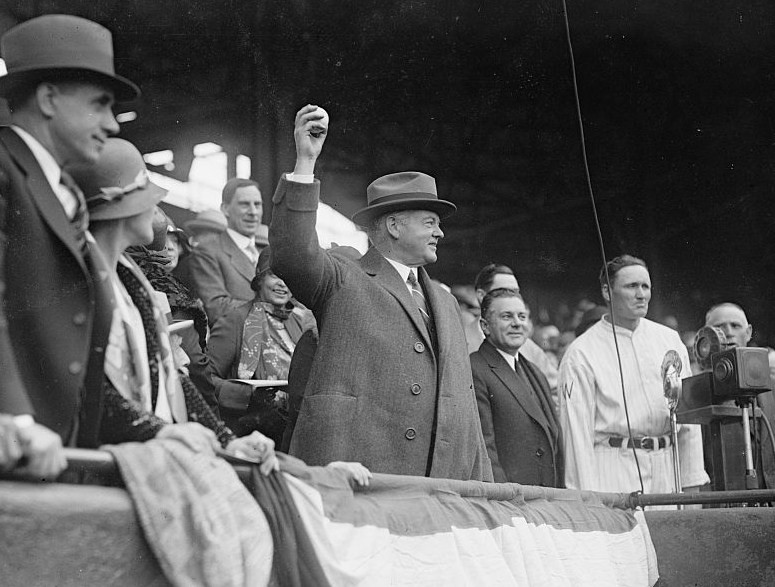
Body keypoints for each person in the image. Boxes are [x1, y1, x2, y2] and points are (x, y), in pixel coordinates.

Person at [268, 104, 492, 481]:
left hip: (435, 486)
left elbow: (463, 405)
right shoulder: (343, 278)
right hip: (356, 477)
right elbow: (292, 252)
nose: (440, 233)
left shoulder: (447, 303)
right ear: (393, 225)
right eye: (430, 222)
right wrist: (305, 162)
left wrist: (482, 489)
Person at [68, 137, 278, 473]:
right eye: (149, 200)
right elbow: (95, 393)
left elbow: (170, 375)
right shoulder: (79, 284)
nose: (159, 214)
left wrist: (225, 439)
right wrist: (172, 433)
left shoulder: (131, 280)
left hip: (146, 458)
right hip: (103, 467)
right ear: (121, 209)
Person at [0, 14, 139, 477]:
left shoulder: (62, 192)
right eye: (101, 104)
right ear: (47, 98)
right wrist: (15, 417)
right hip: (17, 451)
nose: (112, 123)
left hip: (53, 459)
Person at [558, 255, 708, 495]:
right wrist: (586, 499)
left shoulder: (669, 340)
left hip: (667, 468)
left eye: (645, 286)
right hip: (613, 470)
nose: (641, 294)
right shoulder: (581, 352)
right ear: (608, 291)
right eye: (631, 286)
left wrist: (692, 482)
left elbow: (687, 419)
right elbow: (576, 434)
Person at [207, 246, 309, 441]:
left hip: (292, 429)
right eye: (275, 276)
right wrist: (245, 393)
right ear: (260, 279)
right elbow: (205, 377)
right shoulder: (235, 320)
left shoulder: (300, 321)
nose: (282, 284)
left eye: (289, 278)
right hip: (249, 430)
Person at [470, 289, 563, 486]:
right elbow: (484, 447)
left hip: (544, 496)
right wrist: (505, 499)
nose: (517, 323)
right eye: (506, 316)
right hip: (510, 500)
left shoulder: (535, 372)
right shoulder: (475, 368)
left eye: (522, 316)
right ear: (485, 326)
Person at [467, 263, 560, 400]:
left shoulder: (528, 347)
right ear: (481, 295)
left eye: (515, 293)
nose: (512, 298)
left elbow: (555, 391)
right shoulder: (460, 341)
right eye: (503, 292)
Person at [189, 178, 270, 324]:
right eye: (244, 204)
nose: (253, 212)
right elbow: (216, 307)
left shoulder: (269, 254)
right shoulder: (207, 252)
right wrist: (274, 310)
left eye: (257, 204)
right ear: (225, 209)